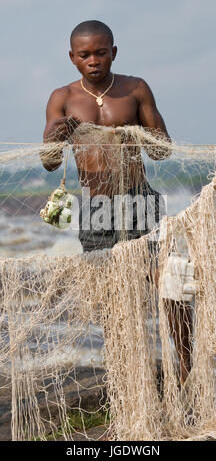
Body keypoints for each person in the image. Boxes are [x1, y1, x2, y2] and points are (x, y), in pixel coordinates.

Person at [40, 20, 192, 385]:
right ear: (73, 58)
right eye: (85, 54)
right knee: (115, 300)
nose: (94, 60)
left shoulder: (135, 89)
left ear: (113, 52)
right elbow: (49, 161)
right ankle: (129, 382)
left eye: (101, 52)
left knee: (170, 281)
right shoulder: (62, 98)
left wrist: (140, 130)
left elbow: (162, 150)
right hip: (96, 209)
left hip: (141, 200)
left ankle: (188, 366)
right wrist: (55, 134)